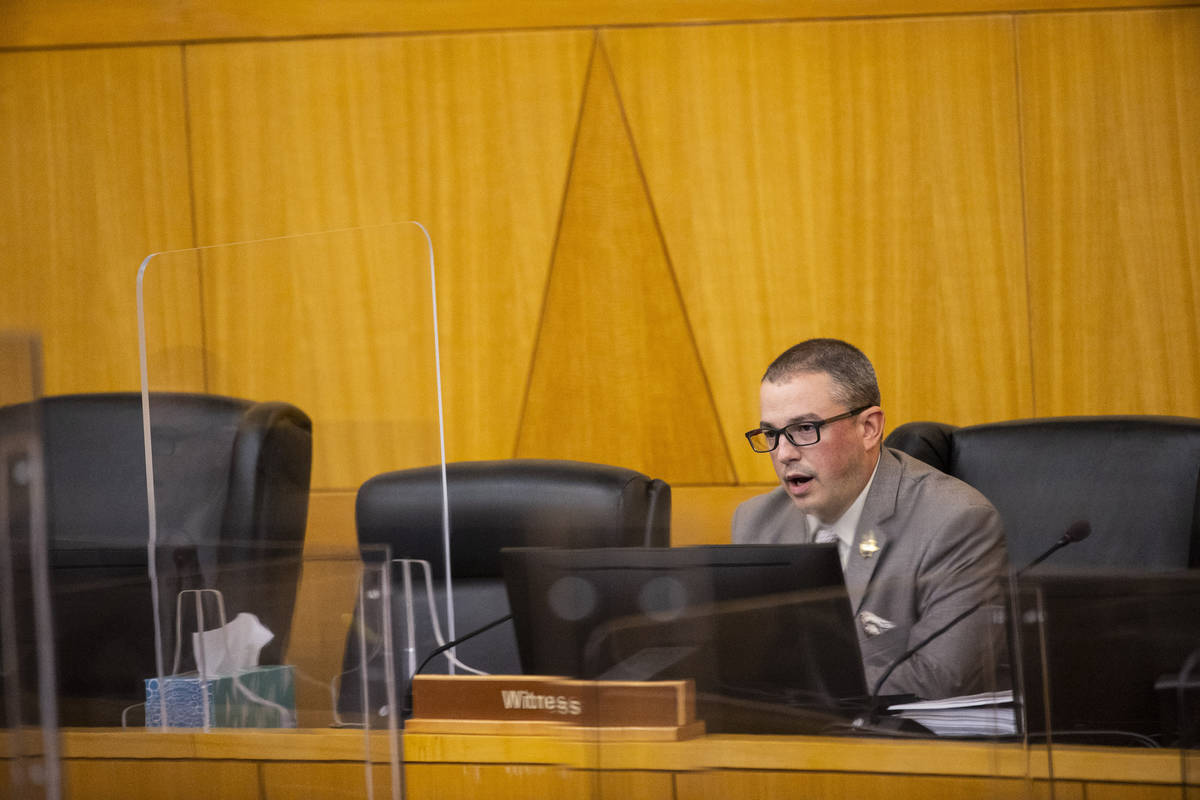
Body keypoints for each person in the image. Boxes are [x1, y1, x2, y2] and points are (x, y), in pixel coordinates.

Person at [732, 338, 1007, 700]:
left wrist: (791, 689)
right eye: (771, 434)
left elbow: (941, 678)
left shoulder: (956, 522)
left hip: (905, 748)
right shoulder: (755, 522)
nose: (783, 454)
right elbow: (737, 662)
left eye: (804, 429)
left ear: (868, 429)